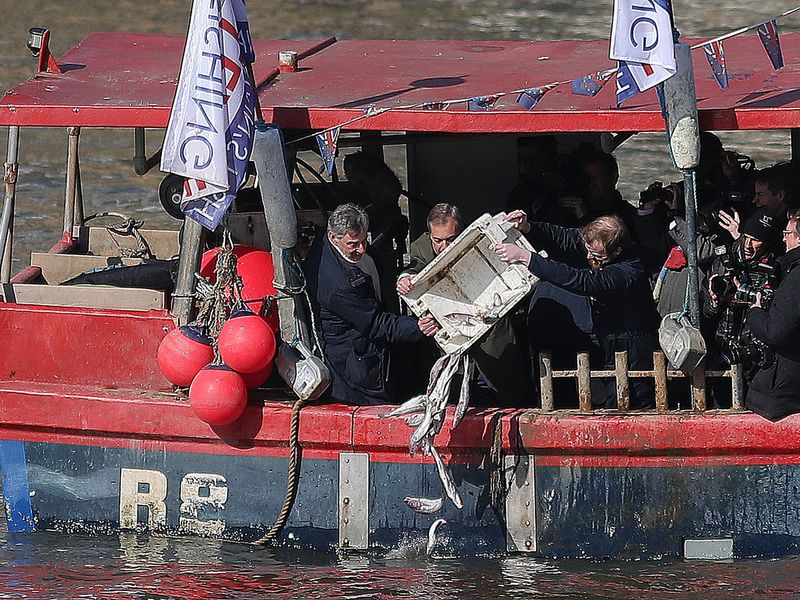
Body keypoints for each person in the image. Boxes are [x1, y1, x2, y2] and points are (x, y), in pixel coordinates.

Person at [496, 211, 660, 409]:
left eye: (598, 255)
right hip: (608, 336)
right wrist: (528, 227)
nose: (590, 257)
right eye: (588, 250)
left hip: (633, 343)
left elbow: (582, 280)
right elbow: (563, 237)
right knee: (611, 399)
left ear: (616, 251)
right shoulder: (594, 244)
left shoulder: (628, 271)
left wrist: (527, 258)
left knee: (631, 402)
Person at [396, 203, 532, 405]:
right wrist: (405, 278)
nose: (445, 246)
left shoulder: (479, 239)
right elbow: (414, 267)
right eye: (438, 240)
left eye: (451, 239)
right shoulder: (421, 247)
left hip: (493, 346)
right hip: (456, 355)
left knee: (505, 404)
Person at [304, 203, 439, 405]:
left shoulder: (336, 241)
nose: (362, 249)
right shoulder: (338, 286)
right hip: (358, 367)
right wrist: (417, 327)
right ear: (334, 238)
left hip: (379, 346)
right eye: (353, 244)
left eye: (364, 240)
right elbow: (377, 324)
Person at [743, 208, 800, 421]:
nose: (784, 241)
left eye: (787, 235)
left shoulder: (796, 278)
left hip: (784, 389)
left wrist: (755, 311)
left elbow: (775, 331)